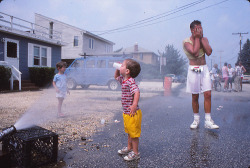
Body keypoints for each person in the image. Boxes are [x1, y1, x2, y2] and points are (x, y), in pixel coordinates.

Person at [183, 20, 219, 129]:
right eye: (198, 28)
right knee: (195, 95)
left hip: (204, 68)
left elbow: (209, 52)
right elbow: (195, 52)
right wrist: (197, 38)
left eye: (201, 28)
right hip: (194, 69)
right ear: (192, 30)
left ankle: (208, 120)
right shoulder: (186, 41)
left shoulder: (204, 39)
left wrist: (201, 38)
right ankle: (196, 119)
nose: (200, 30)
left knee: (208, 94)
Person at [114, 59, 142, 161]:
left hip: (132, 113)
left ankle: (135, 153)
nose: (120, 66)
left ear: (127, 71)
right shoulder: (123, 80)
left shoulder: (130, 81)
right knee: (130, 132)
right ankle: (129, 148)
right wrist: (118, 67)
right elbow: (116, 77)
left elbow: (137, 92)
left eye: (122, 66)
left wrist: (134, 105)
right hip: (127, 112)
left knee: (134, 134)